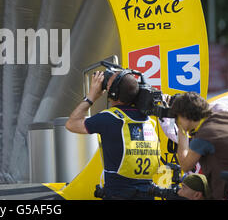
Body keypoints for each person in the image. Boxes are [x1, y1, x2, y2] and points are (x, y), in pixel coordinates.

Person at [66, 70, 160, 199]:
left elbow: (71, 124)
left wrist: (91, 96)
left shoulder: (110, 118)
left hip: (119, 194)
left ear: (114, 93)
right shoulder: (148, 120)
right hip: (147, 194)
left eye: (108, 85)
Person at [170, 91, 228, 200]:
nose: (177, 122)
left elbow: (185, 165)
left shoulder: (205, 134)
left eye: (177, 118)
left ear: (185, 116)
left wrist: (182, 134)